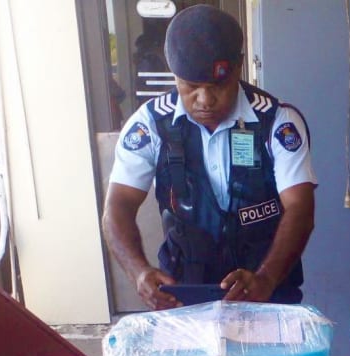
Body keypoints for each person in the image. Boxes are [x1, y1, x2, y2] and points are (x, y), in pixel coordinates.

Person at [103, 5, 317, 310]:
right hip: (184, 295)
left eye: (218, 86)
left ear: (238, 67)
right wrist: (139, 272)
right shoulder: (151, 125)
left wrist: (266, 278)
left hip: (268, 295)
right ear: (174, 74)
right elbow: (117, 205)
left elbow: (301, 208)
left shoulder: (276, 122)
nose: (205, 101)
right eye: (191, 87)